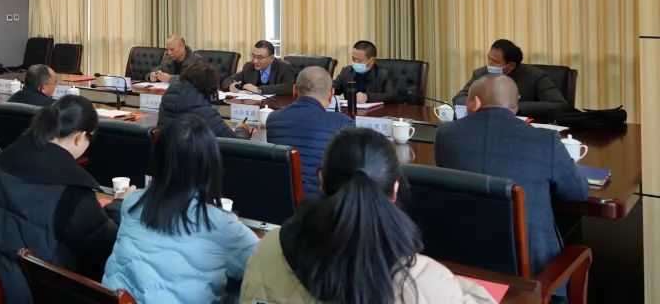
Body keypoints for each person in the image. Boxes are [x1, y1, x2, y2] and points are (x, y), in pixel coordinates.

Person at [240, 128, 495, 304]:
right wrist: (456, 283)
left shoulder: (269, 249)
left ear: (321, 181)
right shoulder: (426, 281)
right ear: (394, 190)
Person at [436, 74, 588, 289]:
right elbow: (578, 192)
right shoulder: (545, 140)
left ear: (475, 102)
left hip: (462, 267)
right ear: (514, 107)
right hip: (531, 277)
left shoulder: (446, 135)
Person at [0, 95, 132, 304]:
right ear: (79, 137)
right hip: (36, 291)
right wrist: (120, 204)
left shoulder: (7, 157)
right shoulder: (71, 188)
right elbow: (104, 245)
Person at [103, 115, 260, 303]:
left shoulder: (133, 201)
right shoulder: (221, 224)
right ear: (210, 164)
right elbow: (265, 265)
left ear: (159, 158)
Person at [265, 67, 354, 199]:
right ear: (331, 93)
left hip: (282, 201)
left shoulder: (273, 118)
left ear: (294, 90)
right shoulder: (342, 122)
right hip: (322, 205)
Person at [451, 39, 569, 119]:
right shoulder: (481, 74)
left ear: (511, 65)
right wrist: (483, 105)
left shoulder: (535, 76)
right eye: (489, 58)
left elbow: (559, 105)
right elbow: (459, 99)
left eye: (495, 61)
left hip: (523, 128)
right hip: (488, 124)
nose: (489, 64)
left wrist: (514, 106)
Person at [159, 62, 250, 139]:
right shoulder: (200, 108)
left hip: (165, 152)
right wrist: (241, 129)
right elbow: (236, 143)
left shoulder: (170, 95)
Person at [331, 40, 404, 104]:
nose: (355, 63)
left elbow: (392, 96)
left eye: (359, 60)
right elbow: (335, 88)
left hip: (375, 114)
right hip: (350, 112)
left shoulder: (384, 74)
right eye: (353, 59)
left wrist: (367, 97)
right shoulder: (346, 71)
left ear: (372, 61)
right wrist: (328, 89)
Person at [222, 40, 297, 95]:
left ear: (271, 58)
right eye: (253, 56)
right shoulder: (249, 66)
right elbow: (228, 80)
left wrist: (259, 90)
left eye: (260, 57)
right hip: (254, 106)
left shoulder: (284, 67)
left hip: (276, 107)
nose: (255, 61)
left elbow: (289, 88)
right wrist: (230, 86)